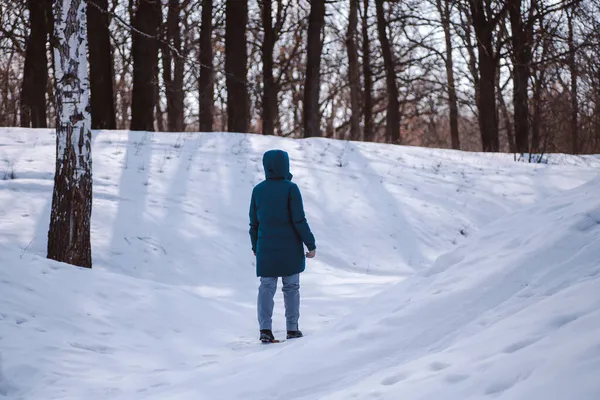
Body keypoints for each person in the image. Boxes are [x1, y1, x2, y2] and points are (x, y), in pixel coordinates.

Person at [249, 149, 316, 343]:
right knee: (292, 287)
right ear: (285, 165)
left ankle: (265, 329)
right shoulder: (290, 188)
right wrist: (310, 244)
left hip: (266, 247)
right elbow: (299, 220)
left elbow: (254, 223)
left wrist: (255, 246)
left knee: (266, 287)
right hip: (290, 248)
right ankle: (292, 329)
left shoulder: (258, 190)